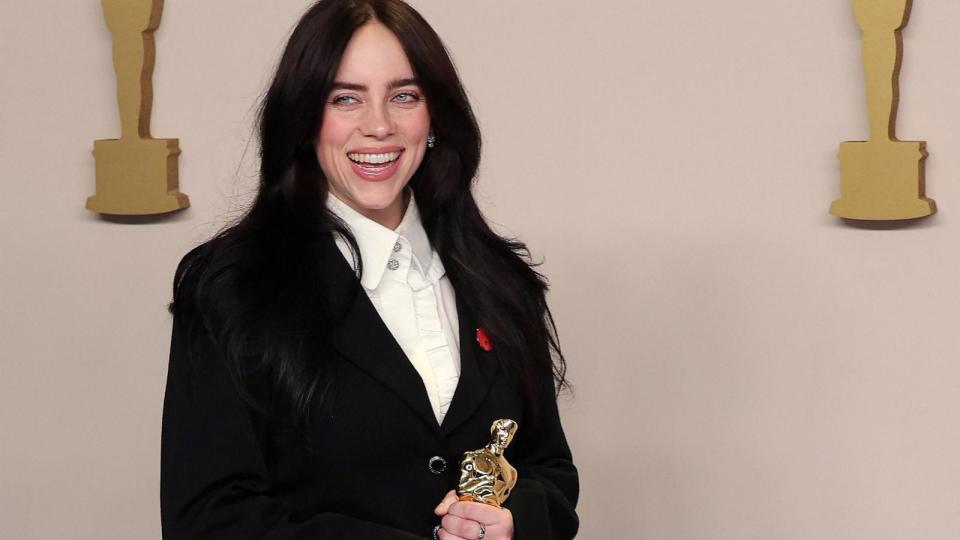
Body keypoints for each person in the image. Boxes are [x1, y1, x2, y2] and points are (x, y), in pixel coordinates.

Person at [160, 1, 578, 538]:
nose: (378, 125)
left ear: (434, 118)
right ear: (305, 118)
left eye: (404, 96)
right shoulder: (230, 285)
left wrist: (514, 520)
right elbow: (209, 520)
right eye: (345, 99)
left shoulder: (500, 280)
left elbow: (550, 470)